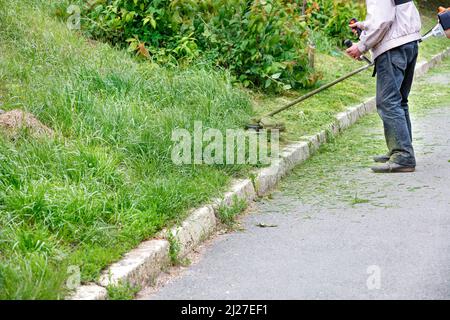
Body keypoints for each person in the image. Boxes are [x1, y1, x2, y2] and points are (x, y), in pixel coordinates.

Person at [346, 0, 422, 173]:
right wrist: (364, 26)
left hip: (393, 47)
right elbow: (393, 12)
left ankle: (403, 155)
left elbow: (382, 20)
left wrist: (362, 46)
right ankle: (403, 148)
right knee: (400, 101)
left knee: (388, 102)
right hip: (408, 41)